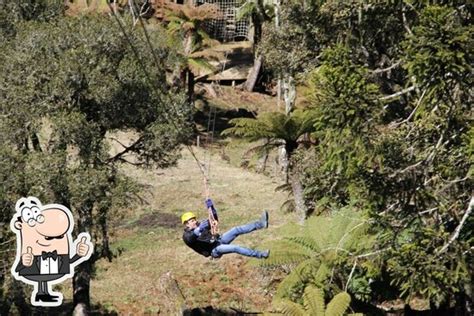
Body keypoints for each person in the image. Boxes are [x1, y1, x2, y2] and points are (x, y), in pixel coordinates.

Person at [181, 199, 270, 259]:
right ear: (186, 224)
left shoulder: (200, 225)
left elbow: (214, 219)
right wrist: (198, 229)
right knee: (235, 248)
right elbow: (191, 238)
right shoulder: (186, 236)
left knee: (236, 230)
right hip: (214, 250)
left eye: (194, 220)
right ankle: (260, 254)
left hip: (218, 240)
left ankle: (260, 224)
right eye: (192, 221)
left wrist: (211, 208)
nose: (195, 222)